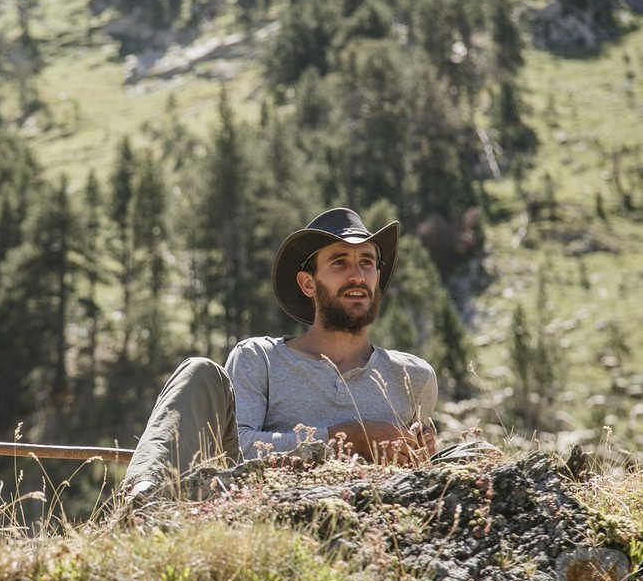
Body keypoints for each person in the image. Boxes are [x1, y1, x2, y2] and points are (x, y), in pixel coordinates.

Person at [123, 207, 438, 495]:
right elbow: (239, 451)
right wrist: (349, 438)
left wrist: (422, 456)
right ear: (308, 284)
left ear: (377, 278)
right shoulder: (259, 358)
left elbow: (416, 477)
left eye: (367, 262)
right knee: (199, 371)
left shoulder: (413, 377)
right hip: (255, 507)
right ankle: (142, 498)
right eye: (339, 262)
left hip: (362, 519)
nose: (357, 275)